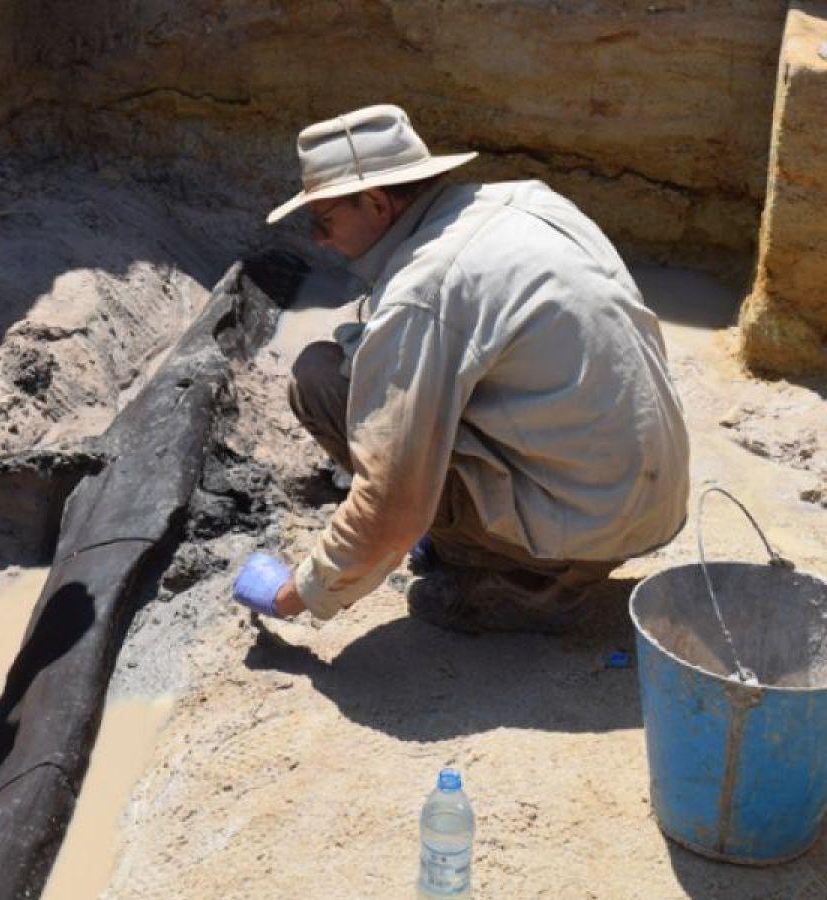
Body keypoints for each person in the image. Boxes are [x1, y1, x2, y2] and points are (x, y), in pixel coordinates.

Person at [234, 104, 689, 634]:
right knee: (369, 378)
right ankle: (501, 546)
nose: (317, 238)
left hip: (585, 528)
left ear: (377, 202)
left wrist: (297, 595)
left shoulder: (426, 289)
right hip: (649, 500)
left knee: (320, 380)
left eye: (324, 220)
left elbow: (389, 505)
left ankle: (523, 583)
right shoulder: (529, 200)